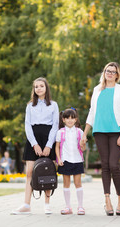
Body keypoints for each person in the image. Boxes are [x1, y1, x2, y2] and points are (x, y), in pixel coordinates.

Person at [80, 62, 120, 216]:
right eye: (107, 70)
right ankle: (107, 200)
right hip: (100, 131)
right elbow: (92, 112)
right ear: (104, 72)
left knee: (114, 165)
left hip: (116, 131)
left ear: (117, 74)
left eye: (113, 71)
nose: (109, 73)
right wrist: (84, 133)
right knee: (105, 166)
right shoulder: (97, 90)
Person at [11, 77, 59, 215]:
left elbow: (55, 125)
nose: (38, 88)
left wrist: (49, 145)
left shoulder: (53, 105)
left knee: (47, 171)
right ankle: (26, 205)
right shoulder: (30, 105)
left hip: (48, 139)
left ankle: (47, 204)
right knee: (29, 173)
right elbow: (27, 125)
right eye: (36, 86)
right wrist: (35, 144)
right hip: (34, 140)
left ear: (46, 88)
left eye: (41, 86)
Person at [55, 108, 86, 215]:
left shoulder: (79, 132)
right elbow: (57, 147)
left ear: (76, 119)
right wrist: (58, 159)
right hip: (65, 160)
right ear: (63, 119)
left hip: (77, 160)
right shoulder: (60, 132)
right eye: (67, 118)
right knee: (66, 184)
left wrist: (83, 144)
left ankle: (80, 207)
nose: (70, 120)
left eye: (72, 118)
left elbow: (83, 148)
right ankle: (68, 207)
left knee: (78, 183)